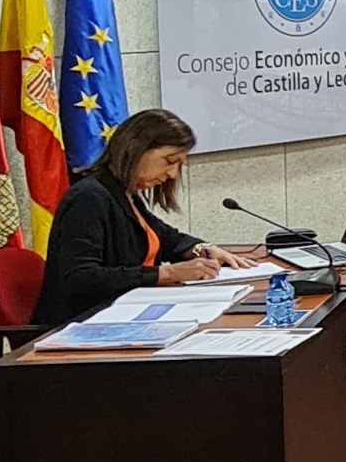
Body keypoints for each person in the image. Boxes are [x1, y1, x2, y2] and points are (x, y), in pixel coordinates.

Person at [32, 109, 255, 325]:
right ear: (135, 149)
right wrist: (166, 273)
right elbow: (82, 278)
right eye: (169, 161)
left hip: (127, 315)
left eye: (179, 165)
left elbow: (165, 237)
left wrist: (201, 248)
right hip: (84, 324)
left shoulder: (125, 194)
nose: (172, 175)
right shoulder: (88, 198)